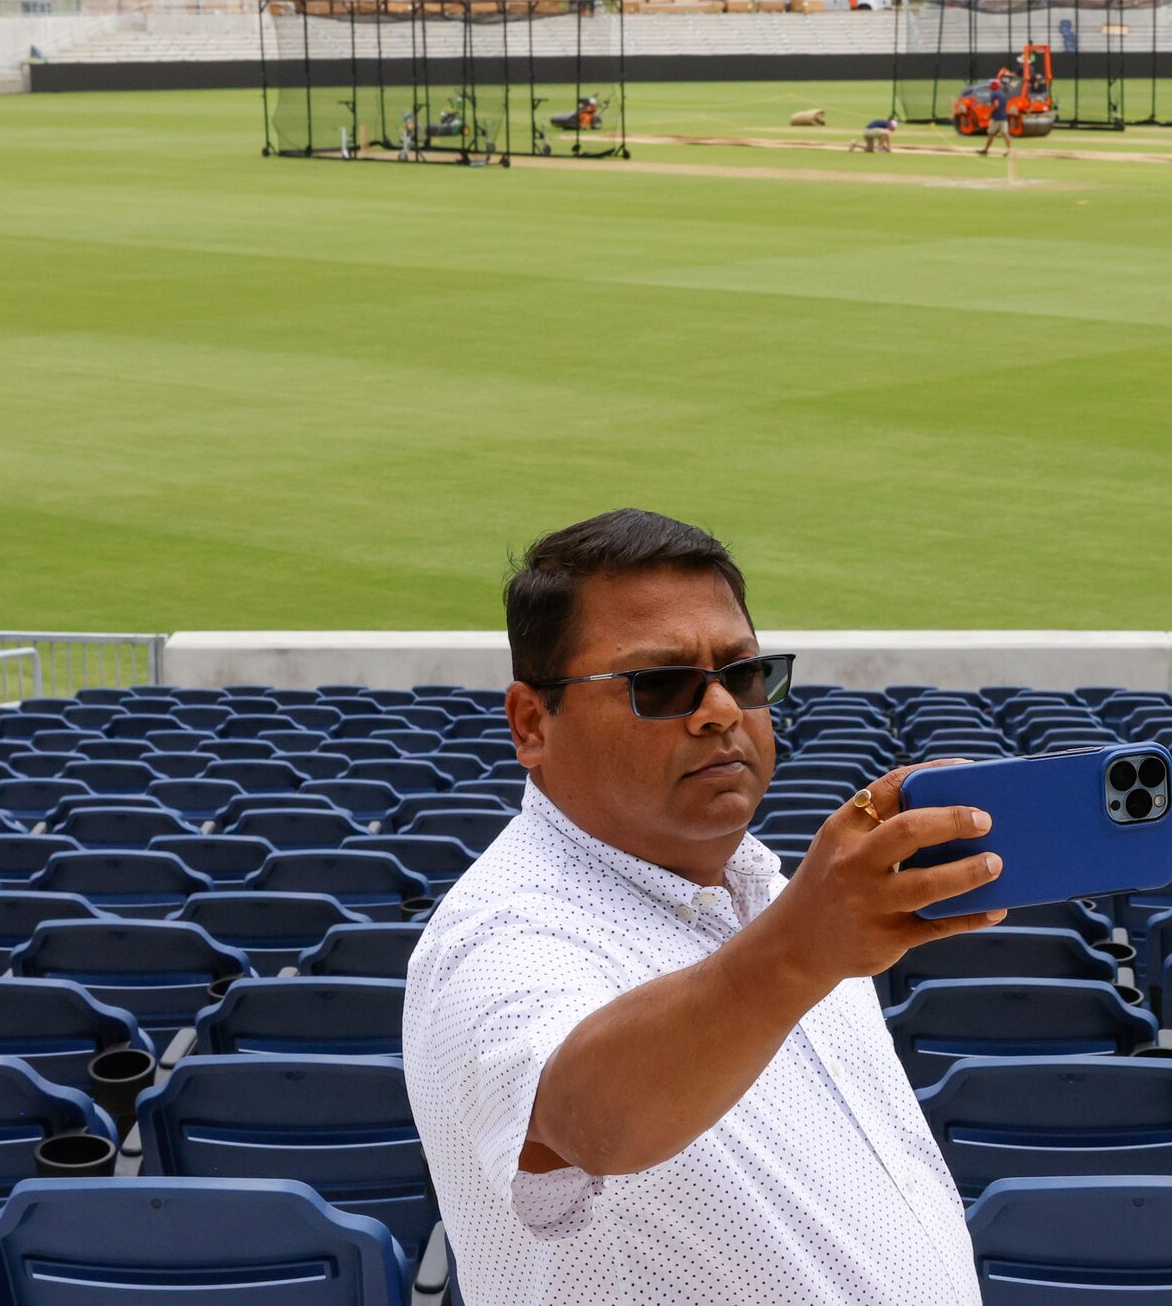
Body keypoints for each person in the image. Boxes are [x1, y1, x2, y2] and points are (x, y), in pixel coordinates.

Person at [405, 509, 1002, 1306]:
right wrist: (800, 950)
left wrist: (800, 937)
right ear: (530, 723)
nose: (720, 709)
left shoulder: (773, 896)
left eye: (744, 673)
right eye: (661, 684)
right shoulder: (498, 934)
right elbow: (589, 1123)